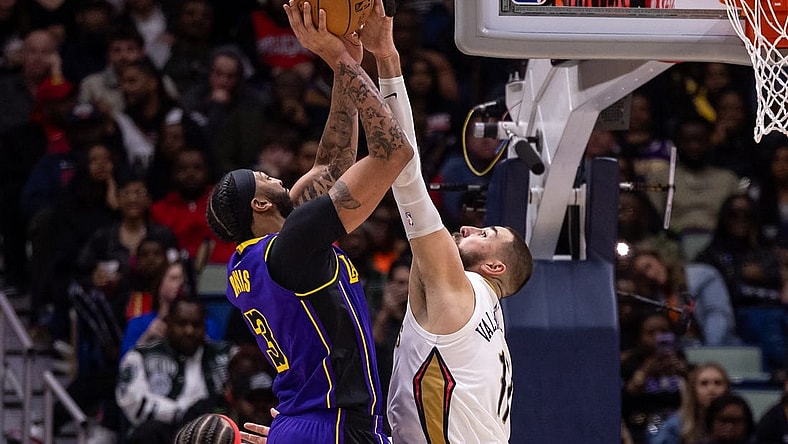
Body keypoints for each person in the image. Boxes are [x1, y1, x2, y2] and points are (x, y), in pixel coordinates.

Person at [205, 0, 414, 442]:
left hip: (303, 422)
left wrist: (347, 68)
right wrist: (336, 57)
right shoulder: (293, 244)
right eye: (261, 179)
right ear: (260, 206)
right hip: (333, 422)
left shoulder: (249, 262)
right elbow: (394, 151)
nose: (272, 175)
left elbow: (331, 169)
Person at [365, 9, 533, 443]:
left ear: (495, 268)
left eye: (486, 234)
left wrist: (386, 60)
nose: (469, 229)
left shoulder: (463, 293)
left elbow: (406, 172)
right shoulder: (486, 316)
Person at [116, 296, 236, 444]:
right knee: (148, 432)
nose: (189, 331)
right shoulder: (139, 356)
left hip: (214, 432)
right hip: (162, 433)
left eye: (196, 324)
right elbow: (132, 401)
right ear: (168, 323)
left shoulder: (227, 354)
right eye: (182, 323)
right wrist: (183, 414)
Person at [649, 361, 731, 444]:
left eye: (718, 383)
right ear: (693, 390)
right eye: (704, 383)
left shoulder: (738, 422)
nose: (711, 389)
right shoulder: (676, 425)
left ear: (727, 388)